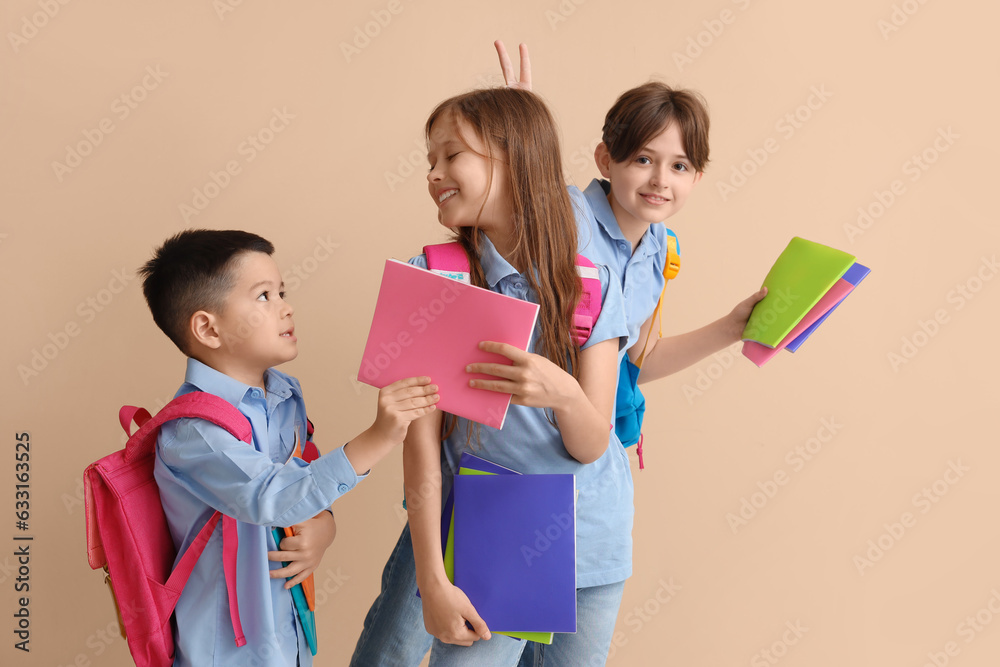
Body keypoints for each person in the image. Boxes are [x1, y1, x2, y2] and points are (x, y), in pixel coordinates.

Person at [352, 88, 630, 665]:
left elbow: (591, 443)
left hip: (593, 532)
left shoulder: (593, 279)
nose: (434, 173)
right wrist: (432, 579)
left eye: (451, 155)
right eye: (430, 160)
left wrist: (563, 393)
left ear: (512, 155)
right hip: (495, 529)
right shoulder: (430, 280)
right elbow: (421, 450)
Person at [141, 229, 439, 666]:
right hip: (225, 653)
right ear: (207, 327)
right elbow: (272, 497)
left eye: (281, 291)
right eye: (263, 296)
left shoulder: (284, 396)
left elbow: (305, 478)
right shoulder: (191, 431)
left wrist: (324, 527)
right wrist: (377, 437)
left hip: (288, 641)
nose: (286, 306)